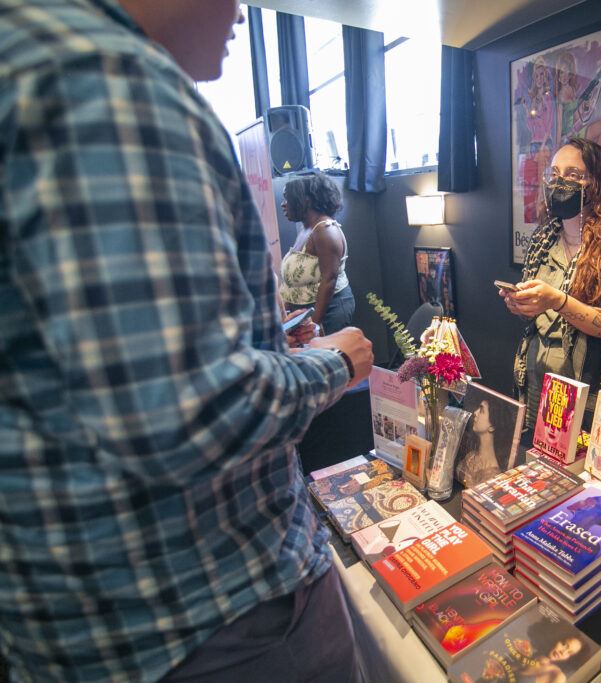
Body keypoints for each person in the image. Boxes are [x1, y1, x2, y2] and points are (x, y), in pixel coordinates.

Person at [0, 1, 374, 681]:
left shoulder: (30, 52)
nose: (239, 10)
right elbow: (185, 409)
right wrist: (331, 364)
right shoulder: (113, 78)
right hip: (220, 619)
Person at [505, 137, 601, 429]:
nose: (560, 182)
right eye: (554, 174)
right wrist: (522, 303)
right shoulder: (543, 237)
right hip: (540, 378)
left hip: (596, 384)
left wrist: (557, 301)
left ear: (597, 183)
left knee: (586, 465)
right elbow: (538, 314)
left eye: (573, 175)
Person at [279, 171, 355, 334]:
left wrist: (315, 323)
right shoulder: (306, 228)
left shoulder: (325, 231)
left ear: (306, 200)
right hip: (304, 313)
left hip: (328, 313)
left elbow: (329, 279)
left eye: (287, 198)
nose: (283, 204)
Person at [455, 397, 519, 487]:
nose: (475, 412)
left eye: (481, 410)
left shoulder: (492, 475)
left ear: (492, 426)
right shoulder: (471, 456)